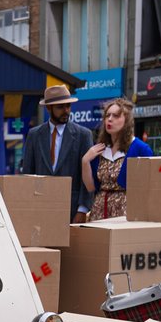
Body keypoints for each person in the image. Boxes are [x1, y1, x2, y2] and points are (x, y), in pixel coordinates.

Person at [21, 85, 94, 222]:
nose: (66, 111)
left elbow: (87, 175)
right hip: (41, 208)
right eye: (60, 107)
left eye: (68, 106)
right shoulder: (34, 135)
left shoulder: (83, 135)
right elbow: (28, 174)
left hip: (72, 209)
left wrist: (83, 209)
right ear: (48, 108)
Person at [81, 97, 153, 220]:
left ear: (127, 121)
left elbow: (149, 187)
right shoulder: (100, 149)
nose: (110, 119)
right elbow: (91, 187)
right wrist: (85, 161)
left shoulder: (140, 149)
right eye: (107, 115)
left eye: (116, 116)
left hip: (126, 213)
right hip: (99, 211)